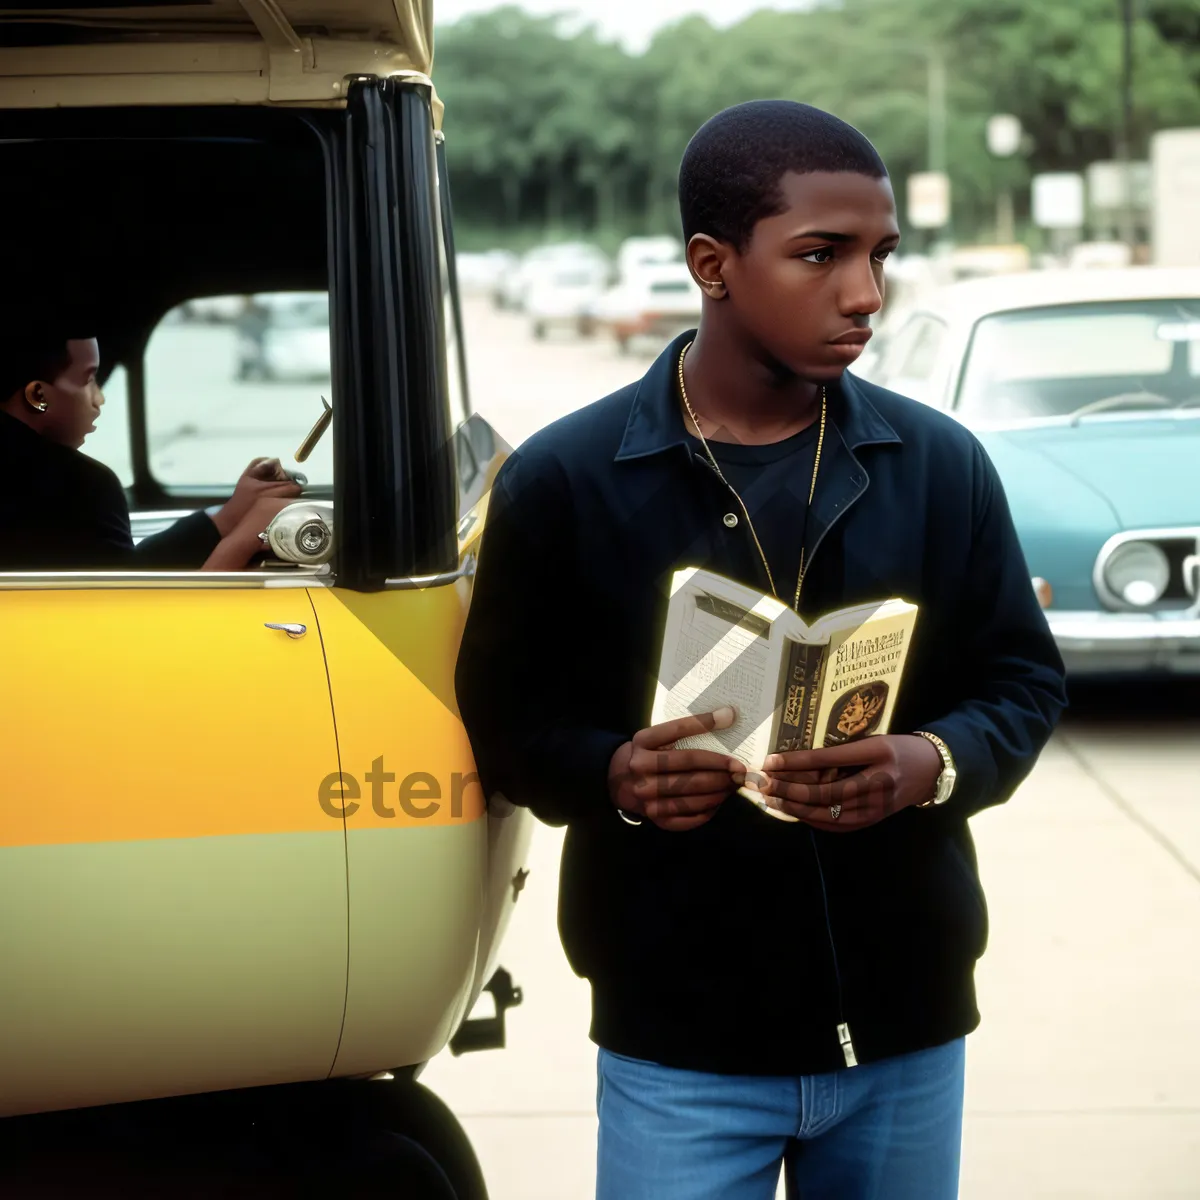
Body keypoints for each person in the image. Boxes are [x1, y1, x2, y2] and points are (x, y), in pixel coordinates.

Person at [454, 100, 1068, 1200]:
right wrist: (615, 774)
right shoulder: (564, 479)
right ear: (714, 263)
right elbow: (506, 725)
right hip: (679, 1041)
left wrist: (929, 763)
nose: (866, 293)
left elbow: (1022, 681)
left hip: (905, 1030)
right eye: (821, 255)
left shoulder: (942, 464)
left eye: (881, 255)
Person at [0, 331, 301, 571]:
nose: (99, 398)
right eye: (89, 379)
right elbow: (125, 618)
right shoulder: (77, 486)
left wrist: (230, 515)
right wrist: (246, 538)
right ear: (37, 394)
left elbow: (122, 569)